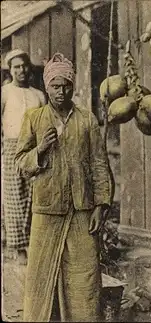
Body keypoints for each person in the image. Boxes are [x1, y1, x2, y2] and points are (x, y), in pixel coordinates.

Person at [15, 53, 112, 322]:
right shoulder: (34, 119)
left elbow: (99, 165)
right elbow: (20, 165)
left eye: (66, 85)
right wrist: (41, 149)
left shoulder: (87, 119)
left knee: (86, 278)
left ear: (72, 85)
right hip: (47, 210)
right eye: (55, 85)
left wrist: (101, 205)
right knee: (40, 278)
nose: (61, 91)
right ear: (46, 87)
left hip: (82, 210)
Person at [1, 49, 46, 264]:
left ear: (29, 68)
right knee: (13, 197)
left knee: (32, 195)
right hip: (10, 147)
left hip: (33, 148)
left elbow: (46, 123)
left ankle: (32, 243)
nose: (21, 70)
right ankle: (17, 247)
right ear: (10, 70)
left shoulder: (38, 95)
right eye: (16, 66)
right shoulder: (5, 93)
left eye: (24, 66)